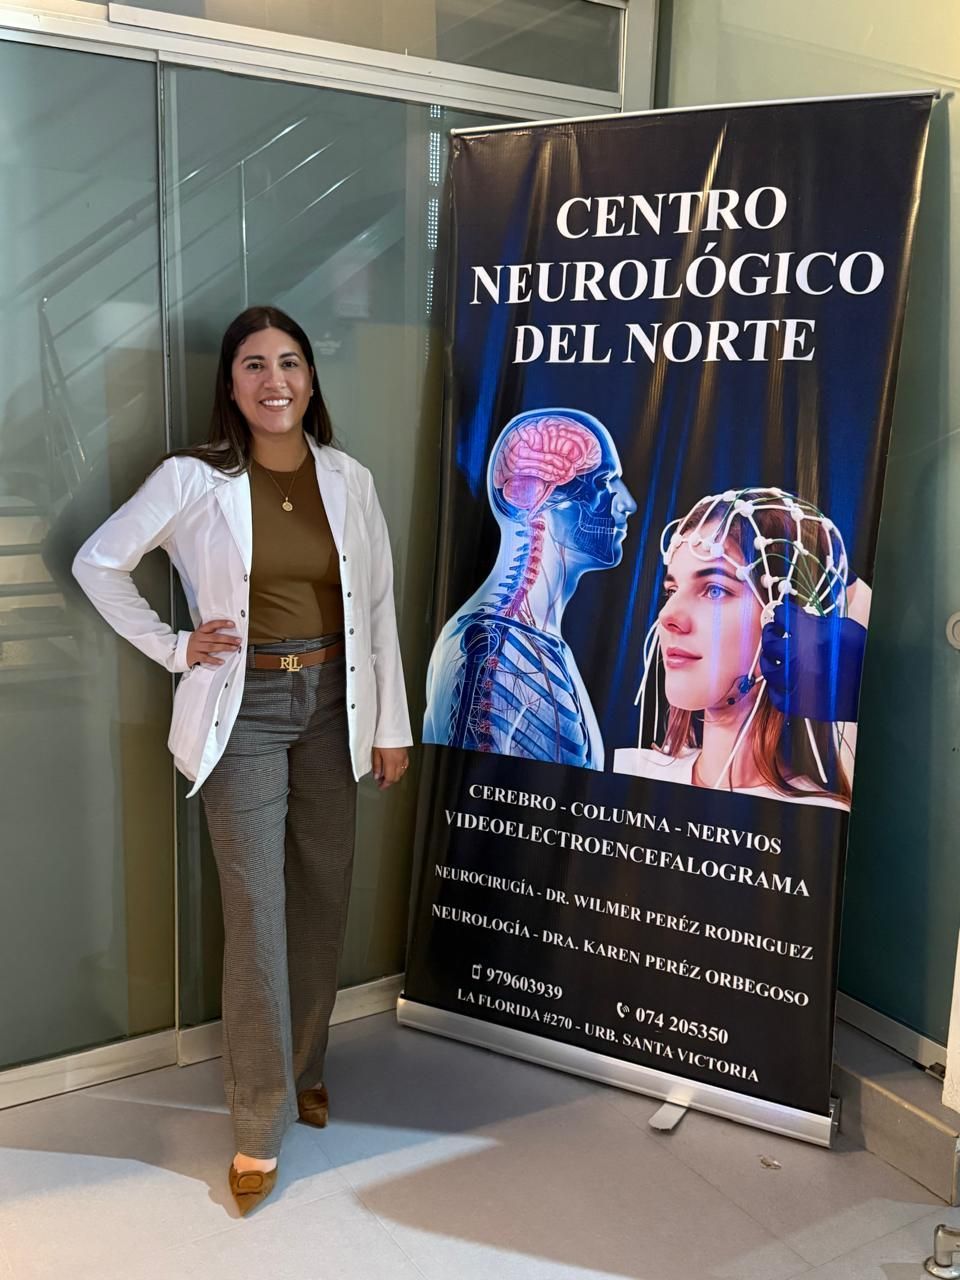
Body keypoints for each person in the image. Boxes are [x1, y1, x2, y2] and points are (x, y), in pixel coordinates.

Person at [73, 305, 412, 1215]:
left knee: (321, 892)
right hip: (246, 709)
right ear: (231, 385)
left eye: (290, 363)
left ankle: (304, 1066)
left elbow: (375, 608)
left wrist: (391, 725)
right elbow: (98, 563)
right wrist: (177, 647)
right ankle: (258, 1121)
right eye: (254, 365)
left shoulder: (349, 479)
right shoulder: (193, 479)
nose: (275, 381)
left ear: (311, 378)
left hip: (336, 703)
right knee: (258, 910)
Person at [613, 487, 867, 808]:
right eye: (672, 590)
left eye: (715, 590)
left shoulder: (816, 820)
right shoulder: (625, 772)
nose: (667, 617)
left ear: (794, 622)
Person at [423, 408, 636, 769]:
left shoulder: (533, 638)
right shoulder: (490, 646)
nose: (626, 503)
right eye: (603, 484)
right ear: (538, 496)